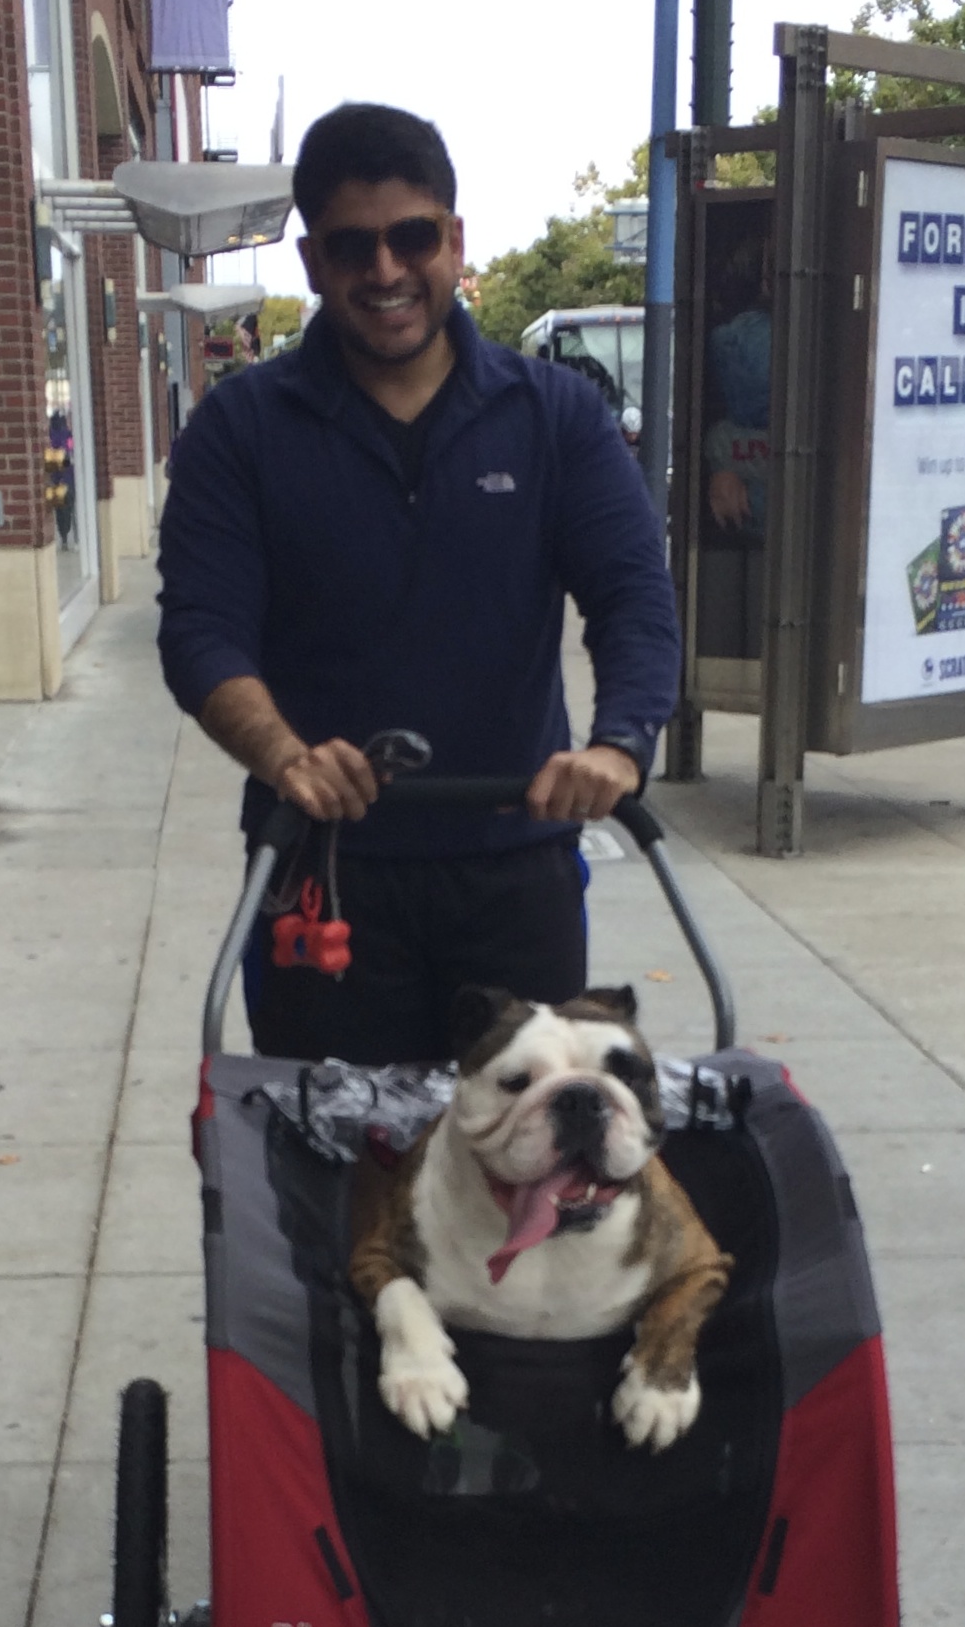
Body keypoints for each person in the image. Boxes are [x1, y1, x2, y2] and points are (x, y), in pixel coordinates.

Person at [156, 102, 679, 1066]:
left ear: (455, 240)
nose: (386, 271)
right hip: (323, 875)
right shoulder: (241, 433)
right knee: (331, 1174)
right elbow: (200, 631)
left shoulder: (556, 417)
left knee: (526, 1178)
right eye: (354, 246)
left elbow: (634, 598)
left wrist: (620, 743)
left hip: (515, 870)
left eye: (412, 238)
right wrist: (285, 754)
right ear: (312, 263)